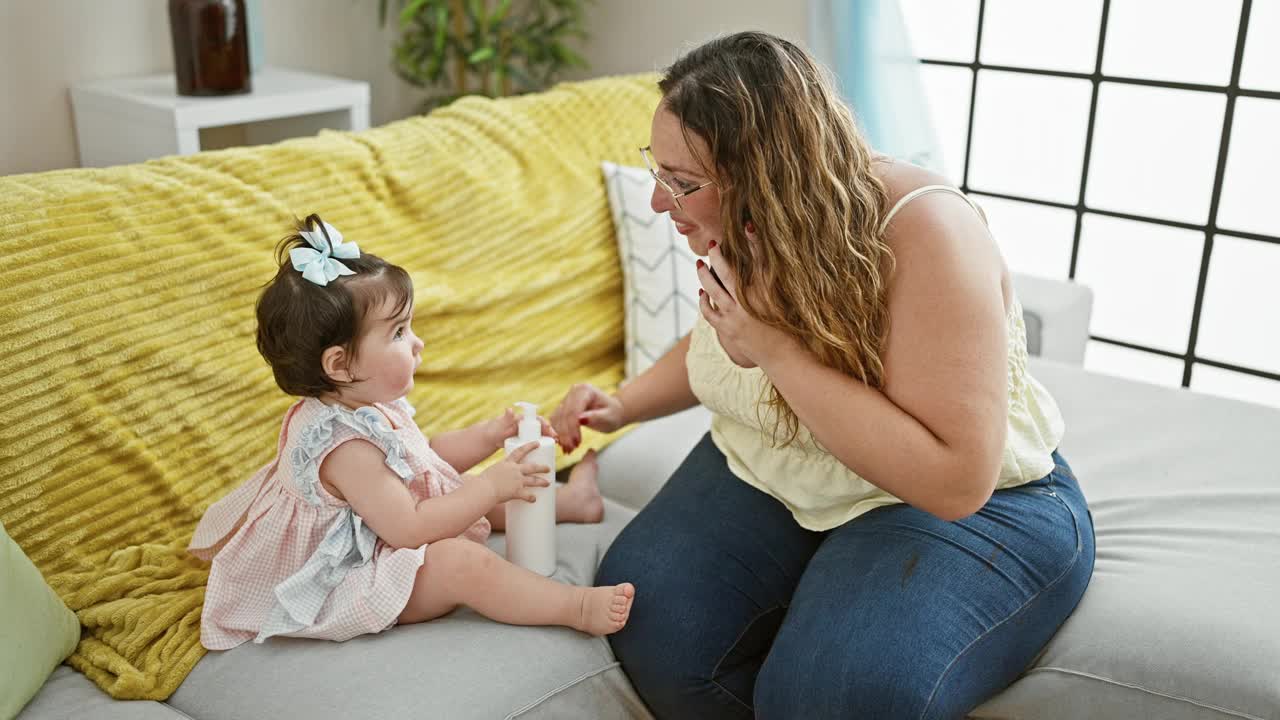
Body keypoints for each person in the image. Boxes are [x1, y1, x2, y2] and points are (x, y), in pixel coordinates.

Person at [549, 32, 1094, 719]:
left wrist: (777, 352)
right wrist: (623, 405)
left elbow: (957, 481)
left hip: (963, 500)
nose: (661, 203)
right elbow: (721, 341)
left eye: (682, 183)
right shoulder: (749, 228)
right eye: (658, 172)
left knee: (828, 696)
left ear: (771, 177)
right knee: (653, 629)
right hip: (792, 466)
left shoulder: (925, 230)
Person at [189, 214, 634, 650]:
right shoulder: (346, 448)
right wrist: (492, 486)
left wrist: (491, 434)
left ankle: (576, 502)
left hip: (383, 522)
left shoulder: (363, 399)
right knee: (460, 560)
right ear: (340, 364)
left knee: (459, 488)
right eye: (399, 332)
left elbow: (427, 456)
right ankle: (575, 607)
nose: (418, 343)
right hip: (348, 573)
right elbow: (410, 528)